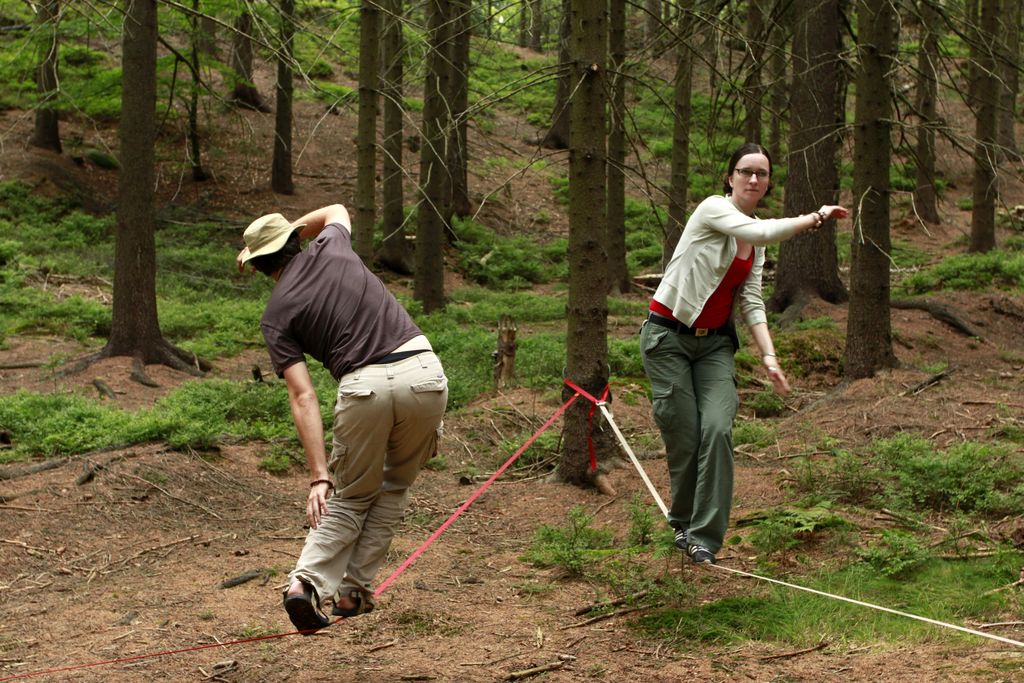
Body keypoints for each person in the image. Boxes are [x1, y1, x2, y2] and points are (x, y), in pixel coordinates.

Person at [237, 204, 448, 632]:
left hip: (363, 387)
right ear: (295, 241)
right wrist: (296, 225)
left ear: (258, 269)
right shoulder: (332, 243)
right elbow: (336, 209)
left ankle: (306, 585)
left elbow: (303, 395)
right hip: (423, 373)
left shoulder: (275, 314)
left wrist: (320, 475)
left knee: (351, 495)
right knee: (393, 486)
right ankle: (353, 592)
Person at [640, 143, 848, 565]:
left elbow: (751, 301)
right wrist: (816, 217)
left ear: (768, 183)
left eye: (762, 174)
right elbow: (758, 231)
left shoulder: (756, 242)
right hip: (668, 339)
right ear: (730, 177)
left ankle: (704, 539)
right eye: (745, 171)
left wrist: (769, 356)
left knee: (716, 429)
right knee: (684, 434)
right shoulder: (713, 210)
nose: (754, 179)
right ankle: (681, 520)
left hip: (715, 344)